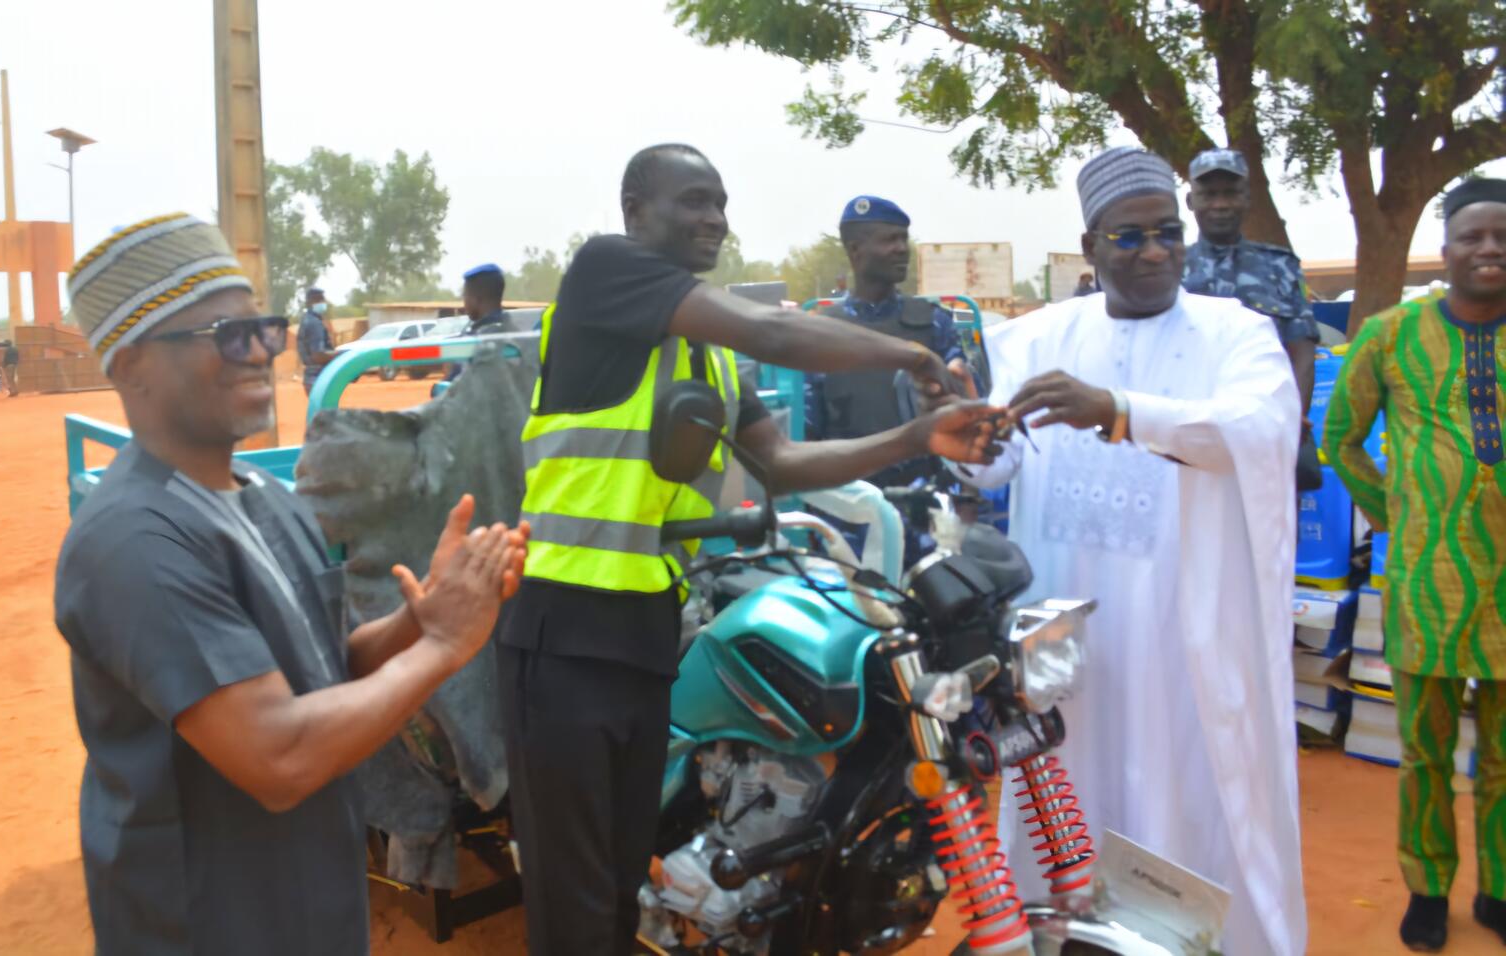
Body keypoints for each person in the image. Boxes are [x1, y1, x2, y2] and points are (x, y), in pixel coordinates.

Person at [501, 144, 1000, 955]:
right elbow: (773, 328)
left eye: (722, 204)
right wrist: (911, 352)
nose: (715, 219)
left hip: (645, 629)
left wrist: (914, 436)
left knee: (620, 882)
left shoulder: (710, 353)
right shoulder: (603, 271)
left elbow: (781, 462)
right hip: (564, 630)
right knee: (575, 905)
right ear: (635, 210)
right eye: (694, 200)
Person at [53, 213, 527, 955]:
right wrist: (441, 648)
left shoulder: (265, 498)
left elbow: (325, 670)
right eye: (225, 335)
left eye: (263, 329)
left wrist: (421, 618)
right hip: (207, 926)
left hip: (308, 907)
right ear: (131, 364)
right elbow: (279, 755)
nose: (259, 353)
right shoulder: (135, 542)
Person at [950, 146, 1306, 955]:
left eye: (1167, 233)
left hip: (1188, 635)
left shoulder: (1236, 333)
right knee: (1064, 791)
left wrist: (1119, 409)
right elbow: (995, 461)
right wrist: (959, 427)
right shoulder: (1038, 337)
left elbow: (1257, 430)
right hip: (1070, 642)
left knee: (1194, 792)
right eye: (1130, 237)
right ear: (1091, 247)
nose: (1154, 252)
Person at [1325, 177, 1506, 951]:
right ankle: (1428, 890)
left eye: (1503, 238)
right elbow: (1340, 440)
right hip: (1428, 586)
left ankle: (1499, 889)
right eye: (1473, 236)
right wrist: (1401, 516)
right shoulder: (1390, 334)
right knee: (1426, 754)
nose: (1489, 250)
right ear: (1447, 247)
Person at [804, 195, 969, 488]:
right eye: (890, 240)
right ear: (855, 250)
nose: (902, 249)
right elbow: (808, 431)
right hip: (850, 499)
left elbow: (967, 413)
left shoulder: (934, 323)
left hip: (925, 497)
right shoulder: (820, 333)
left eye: (904, 239)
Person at [1183, 147, 1323, 489]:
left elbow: (1302, 353)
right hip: (1187, 437)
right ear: (1190, 201)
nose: (1220, 204)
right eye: (1209, 194)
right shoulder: (1169, 269)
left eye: (1230, 193)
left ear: (1247, 199)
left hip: (1265, 437)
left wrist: (1290, 418)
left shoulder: (1280, 266)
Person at [296, 286, 334, 395]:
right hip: (319, 379)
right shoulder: (314, 323)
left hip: (311, 378)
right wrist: (340, 354)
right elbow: (318, 355)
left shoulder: (306, 319)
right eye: (319, 299)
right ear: (311, 302)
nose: (323, 302)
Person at [463, 262, 512, 334]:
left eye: (465, 296)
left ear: (476, 299)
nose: (464, 302)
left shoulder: (481, 336)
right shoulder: (512, 329)